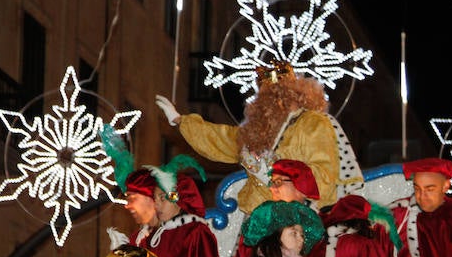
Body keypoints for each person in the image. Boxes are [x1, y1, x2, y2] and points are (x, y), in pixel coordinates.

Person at [155, 61, 362, 216]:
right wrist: (180, 120)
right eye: (264, 97)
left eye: (276, 95)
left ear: (292, 94)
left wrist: (275, 172)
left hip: (293, 219)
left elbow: (324, 176)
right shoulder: (257, 131)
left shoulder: (314, 123)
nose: (269, 102)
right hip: (255, 217)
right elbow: (221, 139)